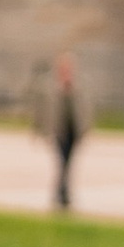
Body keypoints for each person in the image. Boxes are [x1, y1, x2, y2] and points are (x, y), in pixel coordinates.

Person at [33, 51, 86, 212]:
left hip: (73, 129)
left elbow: (85, 109)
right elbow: (41, 110)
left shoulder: (78, 85)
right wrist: (38, 130)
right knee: (62, 161)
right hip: (58, 130)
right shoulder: (49, 85)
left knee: (68, 162)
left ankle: (62, 193)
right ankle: (62, 194)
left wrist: (87, 128)